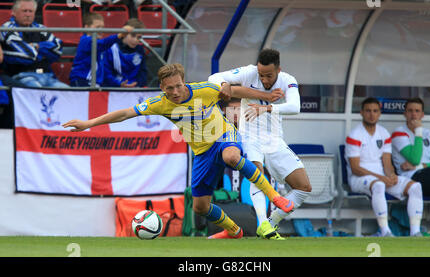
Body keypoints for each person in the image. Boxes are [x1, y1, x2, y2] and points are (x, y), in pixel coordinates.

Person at [62, 63, 294, 239]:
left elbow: (236, 90)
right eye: (169, 88)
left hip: (224, 136)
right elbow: (124, 114)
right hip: (202, 152)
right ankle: (233, 231)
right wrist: (88, 123)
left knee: (232, 156)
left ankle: (275, 197)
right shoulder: (159, 103)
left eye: (178, 86)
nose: (175, 91)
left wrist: (266, 96)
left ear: (184, 82)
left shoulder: (204, 90)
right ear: (162, 88)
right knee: (200, 206)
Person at [208, 48, 312, 240]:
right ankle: (262, 224)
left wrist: (267, 108)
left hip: (274, 139)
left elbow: (295, 107)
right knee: (257, 174)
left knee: (303, 188)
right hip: (249, 136)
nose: (264, 80)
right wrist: (224, 84)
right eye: (261, 75)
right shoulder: (249, 72)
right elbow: (213, 77)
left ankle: (271, 223)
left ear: (279, 70)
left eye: (268, 76)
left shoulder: (288, 80)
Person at [345, 97, 423, 237]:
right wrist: (382, 178)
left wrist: (391, 176)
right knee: (379, 185)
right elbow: (355, 168)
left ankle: (415, 232)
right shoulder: (355, 134)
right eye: (368, 111)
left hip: (381, 177)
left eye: (375, 111)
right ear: (361, 113)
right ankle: (385, 231)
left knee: (415, 187)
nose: (372, 114)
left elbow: (387, 163)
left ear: (379, 113)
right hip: (358, 179)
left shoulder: (384, 133)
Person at [0, 0, 69, 88]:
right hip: (22, 76)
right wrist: (44, 53)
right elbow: (29, 54)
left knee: (67, 91)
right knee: (38, 92)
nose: (28, 14)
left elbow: (58, 49)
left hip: (47, 76)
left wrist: (37, 46)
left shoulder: (40, 28)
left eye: (31, 11)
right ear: (14, 12)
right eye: (24, 11)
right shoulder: (7, 29)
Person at [391, 97, 430, 198]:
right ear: (404, 114)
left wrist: (420, 166)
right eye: (410, 111)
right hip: (412, 179)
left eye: (417, 111)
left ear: (422, 114)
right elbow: (414, 159)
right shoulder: (399, 133)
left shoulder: (429, 134)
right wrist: (418, 130)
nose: (414, 114)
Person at [69, 13, 134, 87]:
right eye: (97, 27)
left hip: (95, 84)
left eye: (102, 27)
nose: (100, 30)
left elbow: (105, 72)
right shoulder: (86, 41)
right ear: (86, 27)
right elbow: (103, 43)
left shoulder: (101, 47)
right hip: (81, 80)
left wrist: (118, 84)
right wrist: (119, 35)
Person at [101, 18, 148, 88]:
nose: (135, 40)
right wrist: (118, 84)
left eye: (139, 37)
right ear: (124, 34)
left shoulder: (140, 50)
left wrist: (138, 83)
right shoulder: (112, 48)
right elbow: (106, 72)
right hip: (114, 88)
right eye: (133, 36)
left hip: (135, 87)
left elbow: (143, 72)